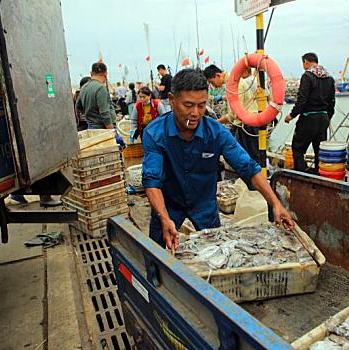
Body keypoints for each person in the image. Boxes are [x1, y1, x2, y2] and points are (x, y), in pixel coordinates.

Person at [142, 69, 294, 250]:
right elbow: (152, 180)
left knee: (215, 251)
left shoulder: (217, 132)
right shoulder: (154, 133)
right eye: (188, 105)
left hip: (204, 205)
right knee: (156, 253)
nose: (195, 113)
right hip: (168, 203)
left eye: (201, 105)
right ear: (172, 100)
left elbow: (248, 167)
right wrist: (164, 218)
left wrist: (275, 203)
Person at [285, 53, 335, 174]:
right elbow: (332, 102)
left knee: (298, 149)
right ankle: (320, 176)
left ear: (306, 62)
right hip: (323, 118)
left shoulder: (307, 76)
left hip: (309, 118)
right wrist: (327, 117)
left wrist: (291, 115)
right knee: (320, 151)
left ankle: (301, 175)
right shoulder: (329, 78)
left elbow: (302, 100)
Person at [203, 64, 260, 163]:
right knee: (248, 155)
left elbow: (233, 114)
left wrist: (216, 122)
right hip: (247, 122)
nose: (213, 86)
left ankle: (258, 176)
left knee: (250, 156)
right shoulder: (234, 80)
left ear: (218, 75)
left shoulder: (232, 84)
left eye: (211, 82)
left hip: (247, 124)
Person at [75, 62, 117, 129]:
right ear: (105, 74)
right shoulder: (101, 88)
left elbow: (78, 106)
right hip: (102, 128)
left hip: (90, 126)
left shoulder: (84, 87)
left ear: (91, 73)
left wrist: (89, 114)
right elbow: (104, 113)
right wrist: (112, 130)